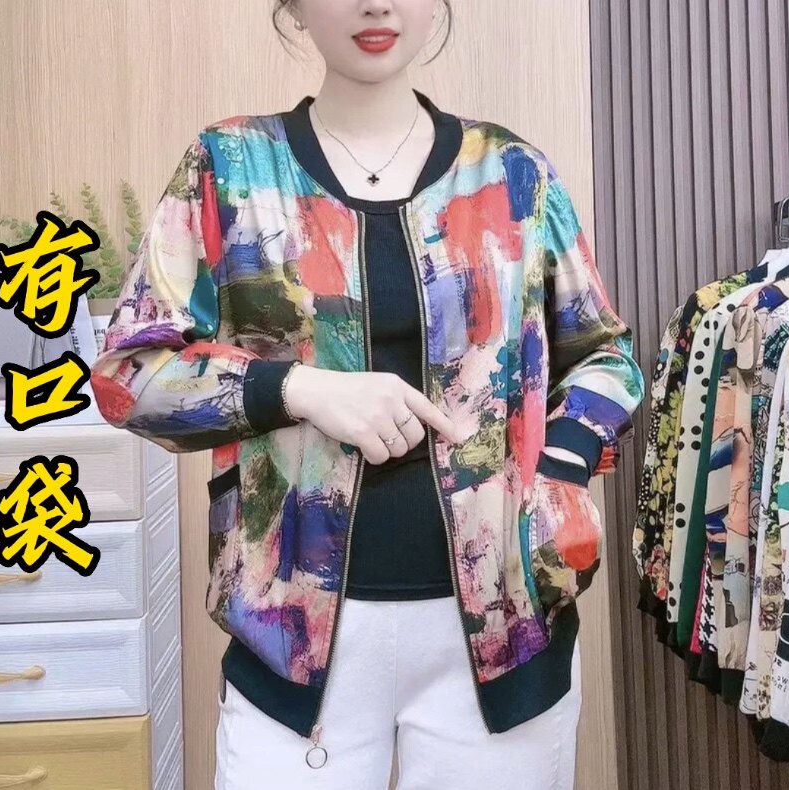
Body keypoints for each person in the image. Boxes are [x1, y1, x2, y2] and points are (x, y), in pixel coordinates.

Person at [91, 1, 646, 787]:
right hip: (291, 641)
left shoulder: (510, 172)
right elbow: (130, 375)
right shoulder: (231, 167)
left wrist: (557, 473)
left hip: (506, 633)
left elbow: (605, 357)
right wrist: (296, 388)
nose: (376, 3)